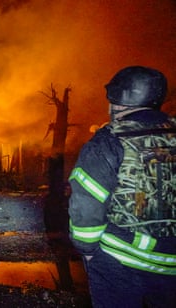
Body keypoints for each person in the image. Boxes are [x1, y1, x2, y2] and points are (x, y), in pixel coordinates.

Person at [68, 66, 176, 308]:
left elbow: (87, 203)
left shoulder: (108, 140)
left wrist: (87, 250)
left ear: (116, 101)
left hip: (120, 262)